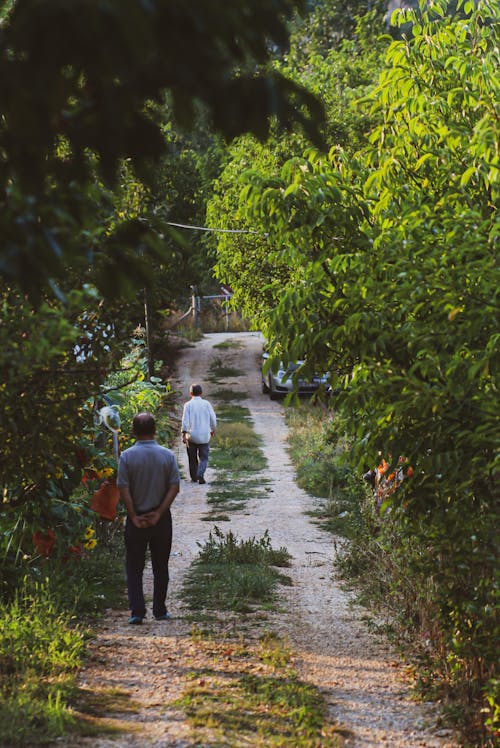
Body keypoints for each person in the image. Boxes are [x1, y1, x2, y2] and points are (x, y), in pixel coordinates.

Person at [117, 412, 180, 625]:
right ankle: (160, 610)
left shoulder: (126, 456)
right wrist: (159, 512)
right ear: (154, 430)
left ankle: (137, 611)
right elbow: (174, 487)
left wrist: (133, 515)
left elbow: (123, 488)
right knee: (160, 566)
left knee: (134, 566)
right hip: (160, 520)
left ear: (134, 432)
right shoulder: (167, 455)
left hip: (136, 520)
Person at [181, 383, 216, 484]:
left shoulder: (188, 405)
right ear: (201, 393)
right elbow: (213, 419)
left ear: (190, 393)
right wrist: (213, 429)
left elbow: (185, 421)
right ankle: (200, 474)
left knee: (192, 458)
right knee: (204, 458)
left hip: (191, 436)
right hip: (205, 435)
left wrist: (184, 433)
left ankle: (194, 477)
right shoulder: (207, 404)